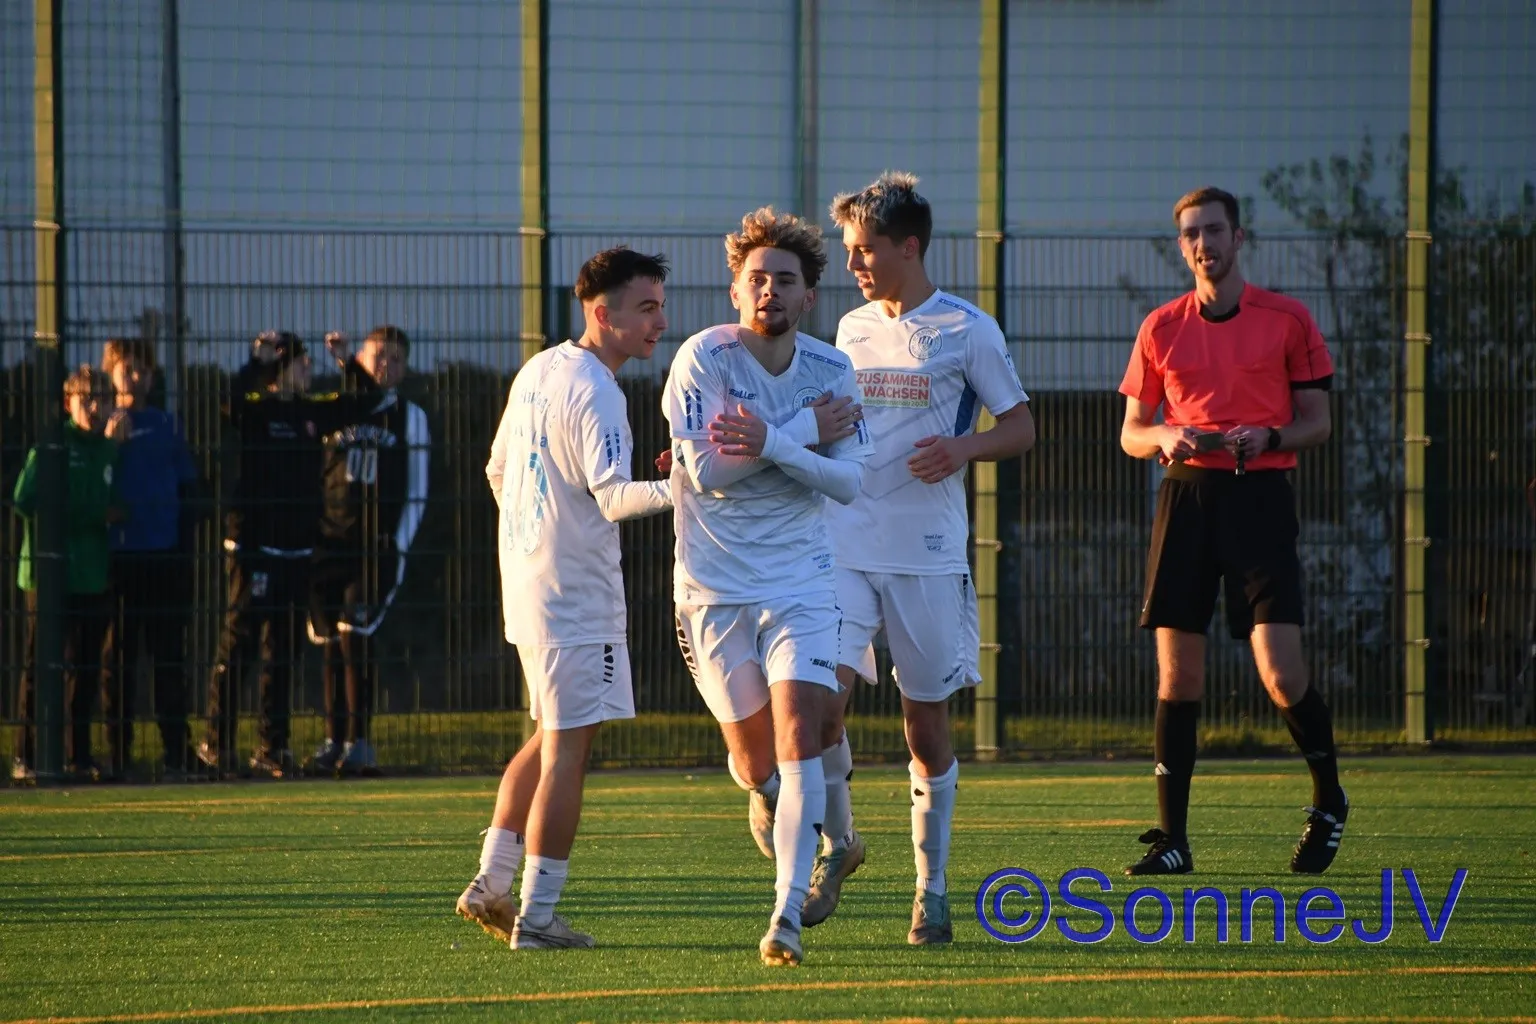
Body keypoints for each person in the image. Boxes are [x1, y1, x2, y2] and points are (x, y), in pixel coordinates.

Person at [818, 172, 1036, 943]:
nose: (853, 264)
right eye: (850, 250)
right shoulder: (848, 328)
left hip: (928, 554)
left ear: (909, 247)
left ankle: (931, 890)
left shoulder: (967, 329)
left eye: (865, 249)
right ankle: (839, 844)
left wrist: (963, 448)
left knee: (925, 728)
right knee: (819, 707)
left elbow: (1021, 427)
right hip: (845, 546)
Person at [663, 207, 873, 967]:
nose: (769, 291)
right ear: (735, 290)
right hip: (713, 588)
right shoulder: (703, 357)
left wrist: (771, 440)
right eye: (757, 278)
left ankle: (785, 915)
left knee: (800, 736)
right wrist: (804, 432)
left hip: (802, 583)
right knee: (757, 766)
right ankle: (816, 826)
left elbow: (849, 483)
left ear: (809, 296)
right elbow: (707, 472)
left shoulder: (831, 369)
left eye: (786, 280)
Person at [1117, 185, 1343, 876]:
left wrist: (1270, 433)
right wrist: (1164, 435)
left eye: (1214, 230)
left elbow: (1317, 423)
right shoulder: (1160, 326)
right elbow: (1131, 433)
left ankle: (1329, 799)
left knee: (1279, 671)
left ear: (1238, 238)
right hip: (1185, 499)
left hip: (1260, 500)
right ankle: (1173, 840)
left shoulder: (1288, 319)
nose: (1203, 244)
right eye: (1191, 233)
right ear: (1181, 245)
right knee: (1177, 675)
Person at [458, 247, 674, 950]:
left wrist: (533, 539)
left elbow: (497, 470)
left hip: (530, 590)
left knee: (552, 737)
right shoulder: (599, 390)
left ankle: (492, 882)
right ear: (603, 314)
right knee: (567, 754)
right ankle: (537, 916)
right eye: (646, 308)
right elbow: (613, 497)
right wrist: (690, 486)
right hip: (574, 599)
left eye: (660, 306)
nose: (660, 322)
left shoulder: (539, 369)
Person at [201, 333, 383, 778]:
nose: (308, 370)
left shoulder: (311, 412)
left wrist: (347, 363)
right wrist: (255, 361)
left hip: (297, 549)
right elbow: (227, 402)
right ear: (280, 370)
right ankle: (216, 744)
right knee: (240, 642)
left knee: (281, 651)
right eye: (300, 363)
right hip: (254, 548)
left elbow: (368, 400)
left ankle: (272, 747)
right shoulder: (256, 408)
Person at [306, 326, 429, 777]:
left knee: (356, 633)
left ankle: (360, 743)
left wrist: (397, 544)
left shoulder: (409, 416)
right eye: (378, 356)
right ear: (360, 358)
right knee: (329, 640)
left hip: (376, 549)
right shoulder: (335, 408)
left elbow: (418, 488)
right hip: (328, 544)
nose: (386, 366)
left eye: (396, 359)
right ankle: (333, 740)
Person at [12, 366, 126, 782]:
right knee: (40, 666)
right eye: (86, 399)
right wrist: (91, 514)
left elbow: (118, 503)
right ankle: (27, 755)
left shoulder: (109, 449)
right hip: (49, 578)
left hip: (91, 574)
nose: (95, 407)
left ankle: (78, 756)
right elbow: (24, 499)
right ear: (68, 402)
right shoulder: (52, 447)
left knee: (86, 669)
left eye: (103, 399)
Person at [98, 338, 201, 779]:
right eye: (127, 368)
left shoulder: (166, 424)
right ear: (111, 373)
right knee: (118, 659)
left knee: (168, 658)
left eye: (143, 369)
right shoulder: (102, 425)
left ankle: (177, 751)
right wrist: (109, 443)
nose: (135, 377)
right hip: (121, 560)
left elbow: (188, 486)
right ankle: (118, 754)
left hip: (165, 557)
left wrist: (183, 546)